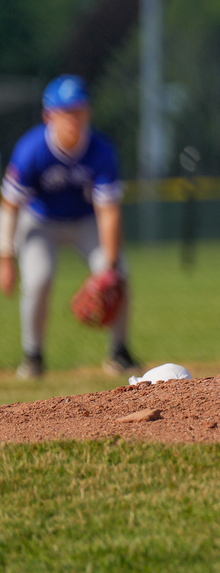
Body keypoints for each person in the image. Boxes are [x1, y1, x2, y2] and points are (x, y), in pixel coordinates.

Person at [0, 75, 141, 378]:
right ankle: (33, 356)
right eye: (66, 111)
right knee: (38, 279)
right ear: (48, 115)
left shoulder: (101, 150)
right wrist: (6, 257)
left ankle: (120, 352)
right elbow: (10, 206)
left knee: (120, 275)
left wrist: (111, 265)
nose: (74, 118)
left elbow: (108, 212)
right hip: (40, 222)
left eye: (80, 110)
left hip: (85, 221)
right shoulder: (32, 149)